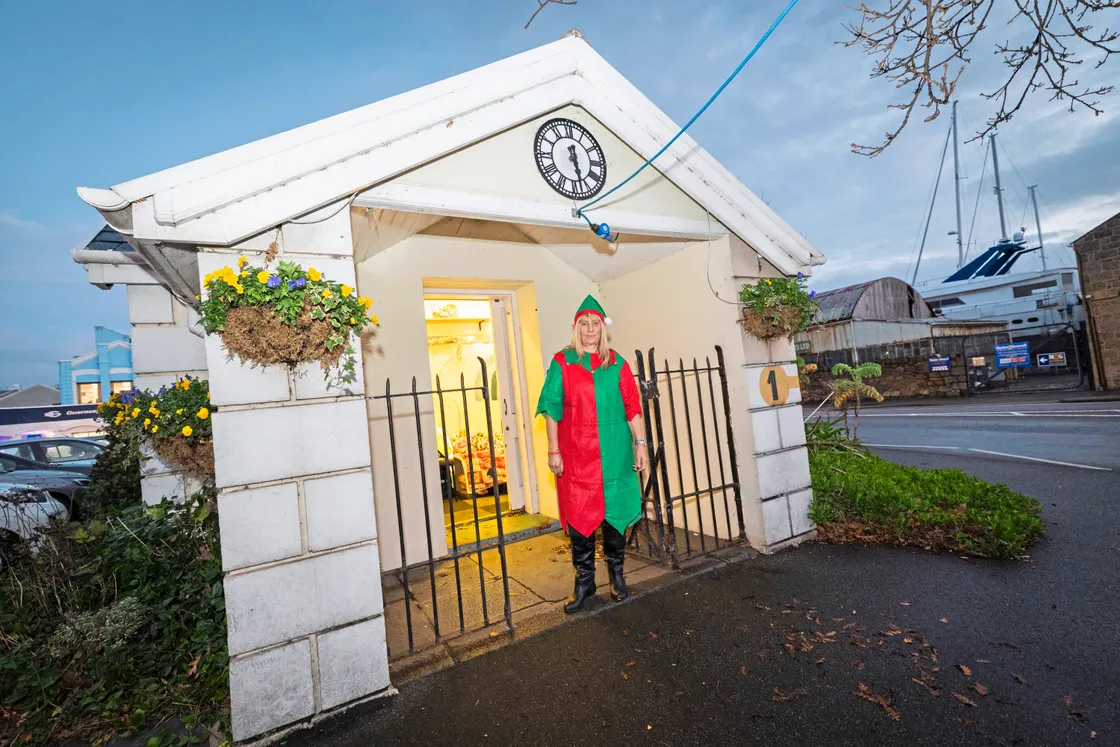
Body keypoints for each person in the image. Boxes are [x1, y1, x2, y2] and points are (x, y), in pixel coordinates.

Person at [536, 295, 649, 612]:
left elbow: (632, 408)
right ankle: (584, 582)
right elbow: (551, 408)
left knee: (614, 518)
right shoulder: (563, 362)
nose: (589, 329)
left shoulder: (618, 364)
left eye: (595, 323)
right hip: (577, 456)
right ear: (576, 328)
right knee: (580, 519)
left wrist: (640, 444)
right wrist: (553, 449)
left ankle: (617, 575)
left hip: (615, 453)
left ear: (603, 328)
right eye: (584, 323)